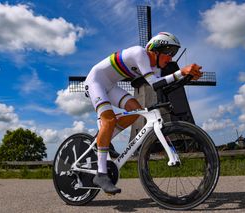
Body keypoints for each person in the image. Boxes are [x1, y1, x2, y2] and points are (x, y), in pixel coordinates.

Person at [84, 32, 203, 194]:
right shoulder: (139, 53)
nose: (171, 58)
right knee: (109, 120)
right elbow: (154, 84)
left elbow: (164, 85)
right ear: (156, 50)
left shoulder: (154, 68)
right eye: (169, 53)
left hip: (110, 86)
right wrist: (181, 72)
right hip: (96, 81)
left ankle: (104, 138)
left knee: (136, 112)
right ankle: (101, 173)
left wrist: (187, 77)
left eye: (173, 54)